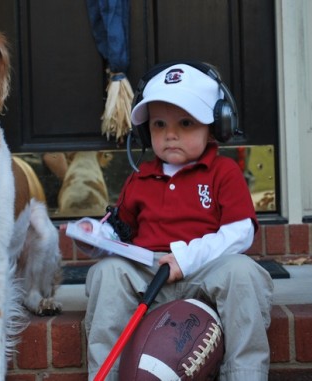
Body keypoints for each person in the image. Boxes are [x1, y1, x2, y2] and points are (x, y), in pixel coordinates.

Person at [71, 62, 273, 381]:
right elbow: (119, 230)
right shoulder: (141, 178)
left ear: (215, 125)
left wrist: (187, 257)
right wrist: (95, 237)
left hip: (206, 268)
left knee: (242, 272)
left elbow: (240, 232)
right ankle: (109, 374)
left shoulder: (223, 172)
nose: (171, 134)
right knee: (106, 273)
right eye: (159, 124)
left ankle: (244, 374)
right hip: (149, 271)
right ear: (144, 130)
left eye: (186, 122)